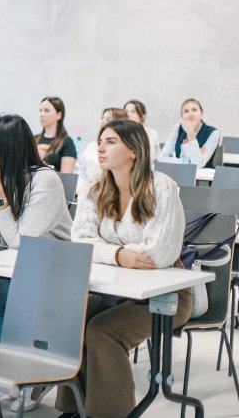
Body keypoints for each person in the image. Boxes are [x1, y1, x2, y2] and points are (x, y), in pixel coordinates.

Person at [55, 119, 189, 418]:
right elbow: (80, 239)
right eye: (100, 141)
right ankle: (74, 407)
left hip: (167, 294)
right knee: (74, 320)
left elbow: (160, 253)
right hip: (115, 283)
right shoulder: (94, 185)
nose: (100, 148)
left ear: (134, 150)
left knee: (102, 331)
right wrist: (118, 255)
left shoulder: (162, 186)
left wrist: (107, 253)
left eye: (111, 141)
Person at [0, 114, 73, 413]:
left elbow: (21, 241)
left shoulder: (45, 180)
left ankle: (34, 372)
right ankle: (30, 366)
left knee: (7, 304)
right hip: (15, 266)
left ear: (9, 147)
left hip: (54, 267)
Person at [76, 107, 128, 195]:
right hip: (86, 191)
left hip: (108, 193)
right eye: (102, 118)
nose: (103, 122)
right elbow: (81, 172)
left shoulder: (120, 149)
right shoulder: (91, 146)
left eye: (108, 119)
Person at [159, 98, 220, 168]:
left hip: (202, 177)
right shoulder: (178, 129)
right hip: (181, 172)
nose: (190, 114)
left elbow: (198, 164)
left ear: (202, 113)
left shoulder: (213, 133)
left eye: (194, 110)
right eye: (186, 111)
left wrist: (191, 134)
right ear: (182, 116)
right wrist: (184, 162)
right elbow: (162, 158)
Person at [35, 96, 76, 173]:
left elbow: (67, 178)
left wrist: (43, 163)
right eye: (40, 110)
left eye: (46, 110)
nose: (41, 114)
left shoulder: (67, 142)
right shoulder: (33, 139)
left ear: (59, 115)